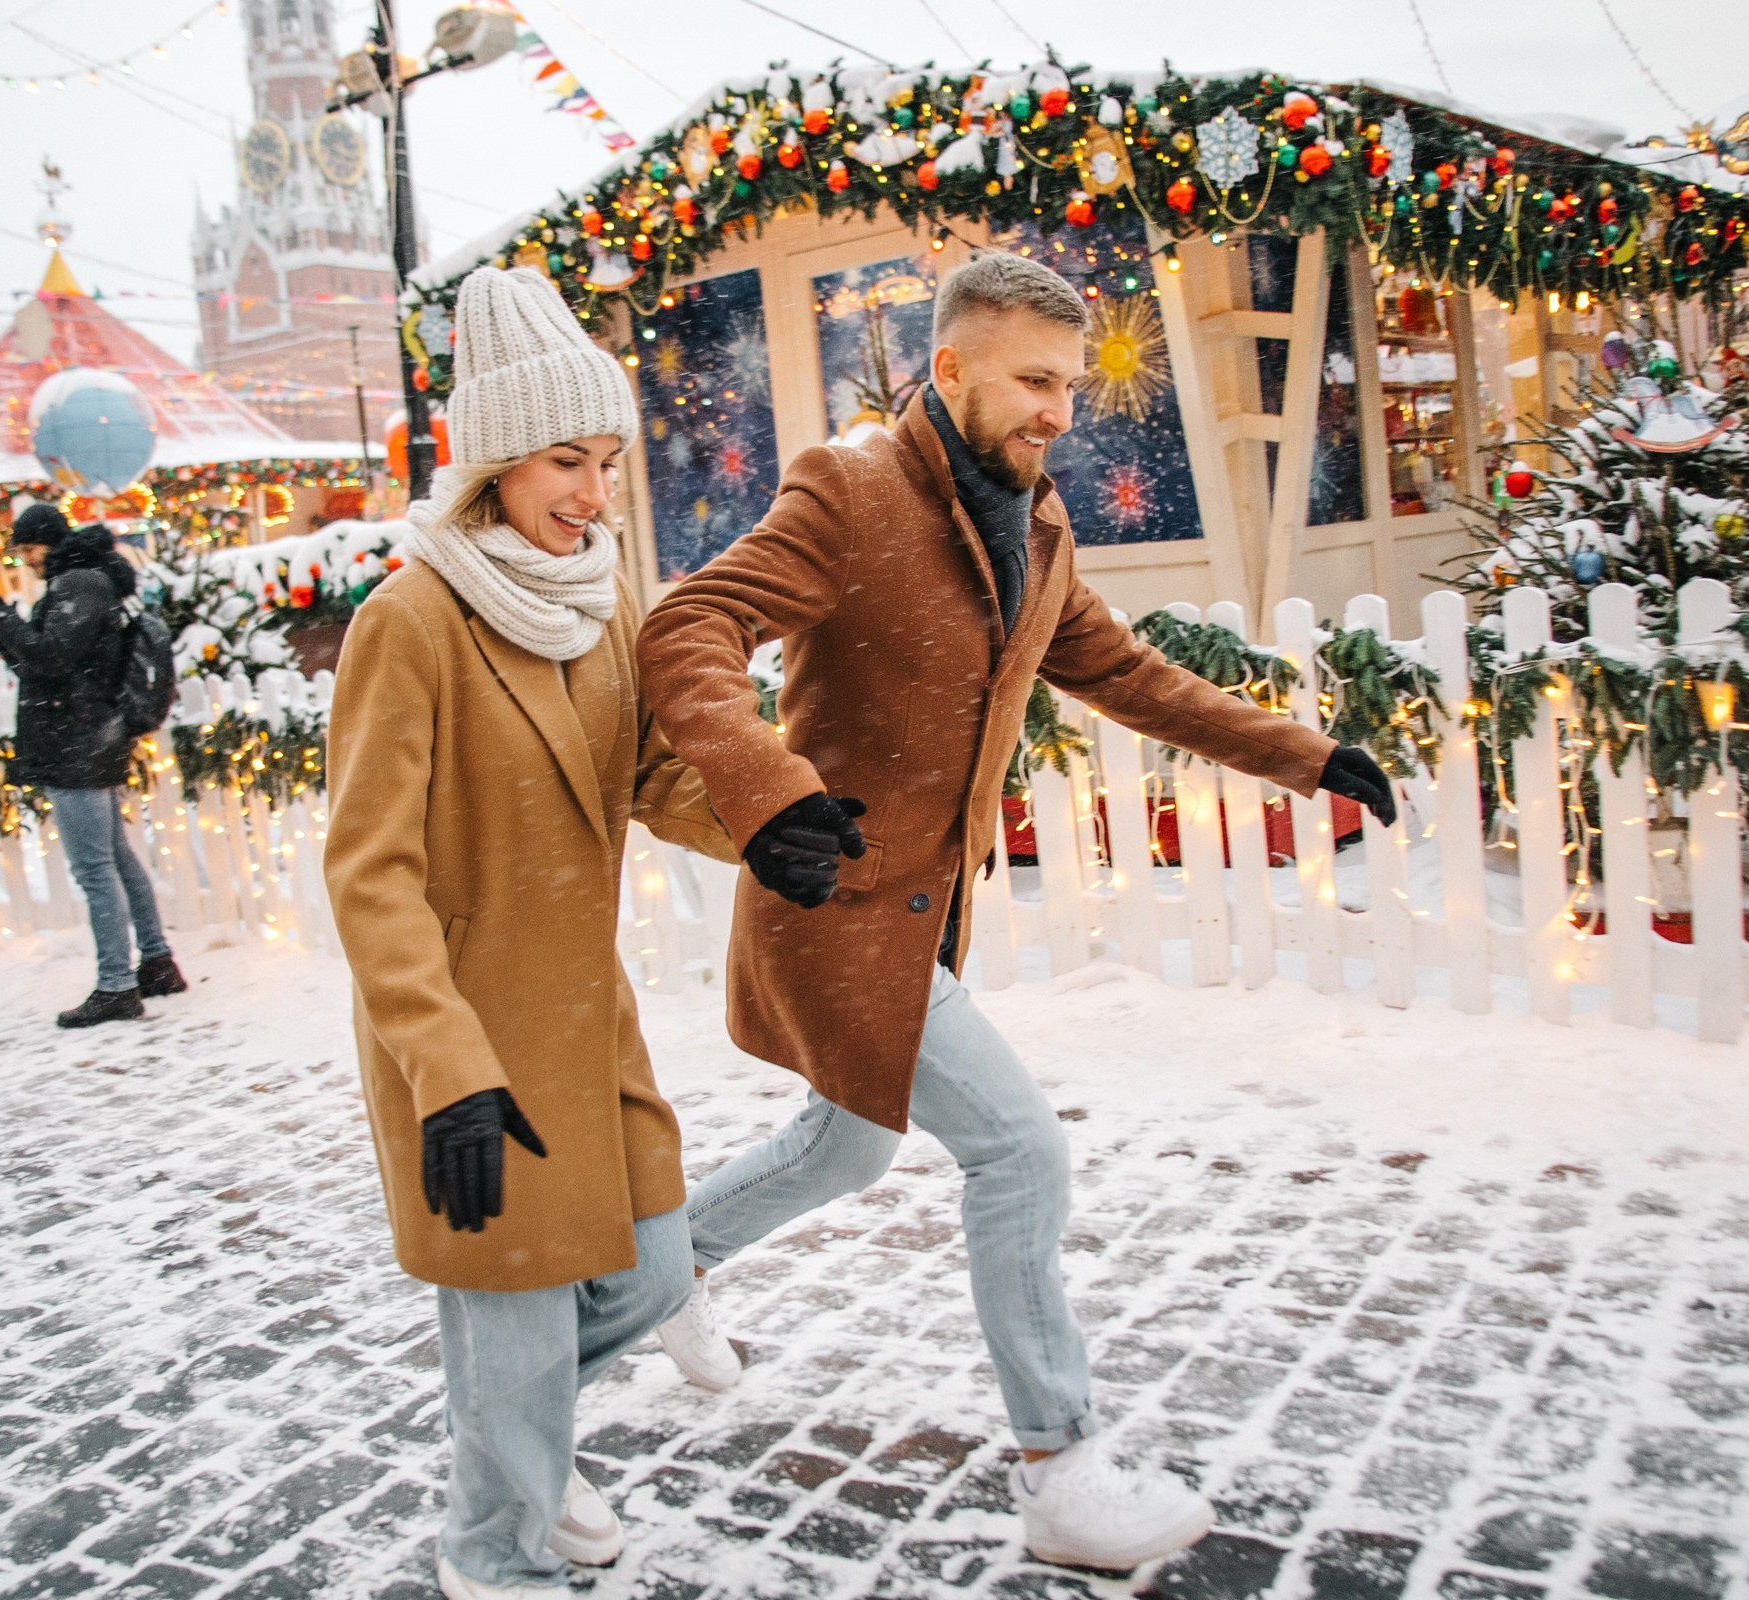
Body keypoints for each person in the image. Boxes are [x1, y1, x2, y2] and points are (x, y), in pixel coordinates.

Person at [636, 250, 1399, 1574]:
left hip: (921, 912)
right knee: (1021, 1155)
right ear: (949, 369)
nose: (1059, 411)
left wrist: (1306, 755)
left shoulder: (1034, 523)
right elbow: (688, 624)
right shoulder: (851, 490)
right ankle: (1062, 1468)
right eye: (1034, 381)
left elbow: (1132, 675)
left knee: (844, 1151)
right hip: (834, 897)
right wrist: (767, 790)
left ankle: (663, 1265)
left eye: (1071, 387)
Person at [321, 266, 736, 1600]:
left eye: (608, 462)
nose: (594, 493)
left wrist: (774, 819)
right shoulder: (409, 623)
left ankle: (523, 1440)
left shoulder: (601, 598)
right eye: (567, 461)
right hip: (470, 1046)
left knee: (655, 1273)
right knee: (509, 1331)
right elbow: (370, 876)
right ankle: (491, 1549)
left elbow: (654, 776)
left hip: (588, 1023)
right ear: (496, 460)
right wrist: (444, 1070)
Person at [0, 506, 185, 1028]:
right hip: (87, 736)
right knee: (115, 858)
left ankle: (116, 986)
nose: (26, 559)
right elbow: (43, 660)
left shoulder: (79, 583)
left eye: (29, 549)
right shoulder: (84, 581)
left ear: (50, 542)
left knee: (95, 868)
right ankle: (155, 962)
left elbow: (49, 657)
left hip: (77, 740)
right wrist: (5, 623)